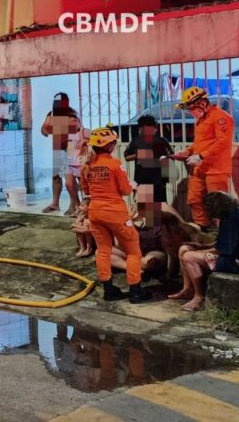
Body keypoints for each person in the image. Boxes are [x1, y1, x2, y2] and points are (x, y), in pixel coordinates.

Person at [81, 126, 152, 303]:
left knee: (103, 251)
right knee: (133, 251)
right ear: (110, 145)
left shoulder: (86, 165)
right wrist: (132, 185)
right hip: (115, 212)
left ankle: (109, 290)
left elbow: (86, 190)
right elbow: (126, 190)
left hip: (95, 212)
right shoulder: (114, 164)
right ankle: (135, 291)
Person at [170, 87, 234, 230]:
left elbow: (222, 142)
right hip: (199, 168)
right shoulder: (200, 119)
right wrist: (187, 151)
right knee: (194, 200)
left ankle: (222, 236)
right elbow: (200, 143)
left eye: (191, 107)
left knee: (218, 205)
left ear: (201, 102)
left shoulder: (221, 117)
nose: (190, 111)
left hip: (216, 169)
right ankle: (202, 231)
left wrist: (200, 156)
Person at [170, 192, 239, 311]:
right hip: (232, 256)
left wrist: (200, 251)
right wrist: (200, 247)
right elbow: (221, 242)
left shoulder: (233, 219)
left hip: (236, 262)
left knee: (189, 256)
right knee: (183, 249)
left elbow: (223, 250)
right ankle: (187, 289)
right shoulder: (230, 215)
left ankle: (199, 297)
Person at [124, 114, 173, 230]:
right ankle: (147, 231)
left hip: (159, 180)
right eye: (145, 128)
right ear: (141, 129)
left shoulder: (162, 141)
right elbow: (126, 156)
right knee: (145, 210)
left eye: (151, 128)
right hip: (142, 179)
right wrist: (139, 155)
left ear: (155, 129)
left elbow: (170, 155)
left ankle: (160, 230)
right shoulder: (136, 141)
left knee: (159, 207)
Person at [41, 93, 75, 214]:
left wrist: (56, 128)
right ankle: (55, 203)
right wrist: (46, 130)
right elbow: (44, 128)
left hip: (70, 149)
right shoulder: (51, 114)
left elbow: (75, 129)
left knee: (70, 178)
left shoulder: (72, 114)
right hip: (57, 148)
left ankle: (73, 204)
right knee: (56, 176)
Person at [64, 114, 90, 217]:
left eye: (74, 121)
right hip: (70, 162)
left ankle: (84, 209)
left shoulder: (85, 131)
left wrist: (84, 141)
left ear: (78, 121)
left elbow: (93, 140)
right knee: (68, 184)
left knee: (83, 186)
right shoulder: (68, 133)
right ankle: (77, 205)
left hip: (80, 162)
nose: (73, 124)